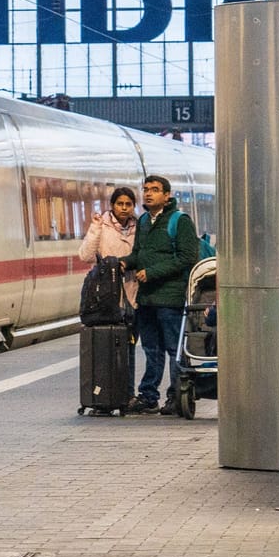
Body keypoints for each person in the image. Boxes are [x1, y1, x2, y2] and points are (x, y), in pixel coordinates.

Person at [124, 175, 199, 414]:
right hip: (146, 299)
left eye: (155, 190)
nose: (148, 194)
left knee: (173, 349)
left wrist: (153, 273)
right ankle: (148, 395)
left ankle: (177, 396)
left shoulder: (180, 221)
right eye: (145, 189)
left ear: (167, 195)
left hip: (171, 299)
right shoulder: (144, 221)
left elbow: (188, 257)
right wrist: (123, 263)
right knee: (151, 350)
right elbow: (138, 254)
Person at [77, 185, 139, 311]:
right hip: (108, 290)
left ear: (134, 206)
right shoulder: (101, 226)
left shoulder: (140, 227)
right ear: (112, 205)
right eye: (119, 203)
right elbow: (86, 256)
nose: (124, 208)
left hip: (135, 290)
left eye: (128, 204)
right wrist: (95, 230)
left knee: (134, 326)